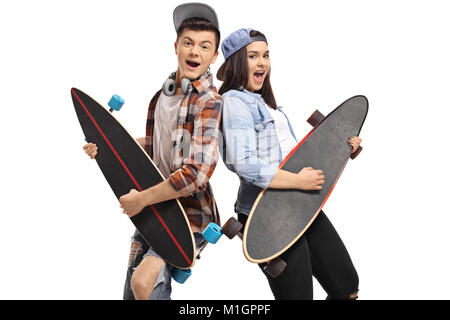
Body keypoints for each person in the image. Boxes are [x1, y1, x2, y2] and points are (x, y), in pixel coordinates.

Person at [83, 3, 222, 300]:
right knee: (133, 296)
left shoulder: (209, 102)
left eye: (204, 46)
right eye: (188, 43)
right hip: (153, 209)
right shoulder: (163, 95)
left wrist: (140, 199)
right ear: (176, 46)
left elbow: (195, 174)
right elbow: (157, 148)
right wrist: (108, 148)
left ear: (214, 55)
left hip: (188, 216)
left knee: (144, 283)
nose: (194, 52)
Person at [217, 28, 361, 300]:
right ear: (237, 62)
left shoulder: (265, 102)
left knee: (346, 285)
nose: (262, 63)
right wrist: (298, 181)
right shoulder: (234, 102)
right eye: (253, 56)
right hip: (266, 214)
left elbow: (297, 158)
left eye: (266, 55)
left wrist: (340, 150)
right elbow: (244, 163)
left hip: (301, 204)